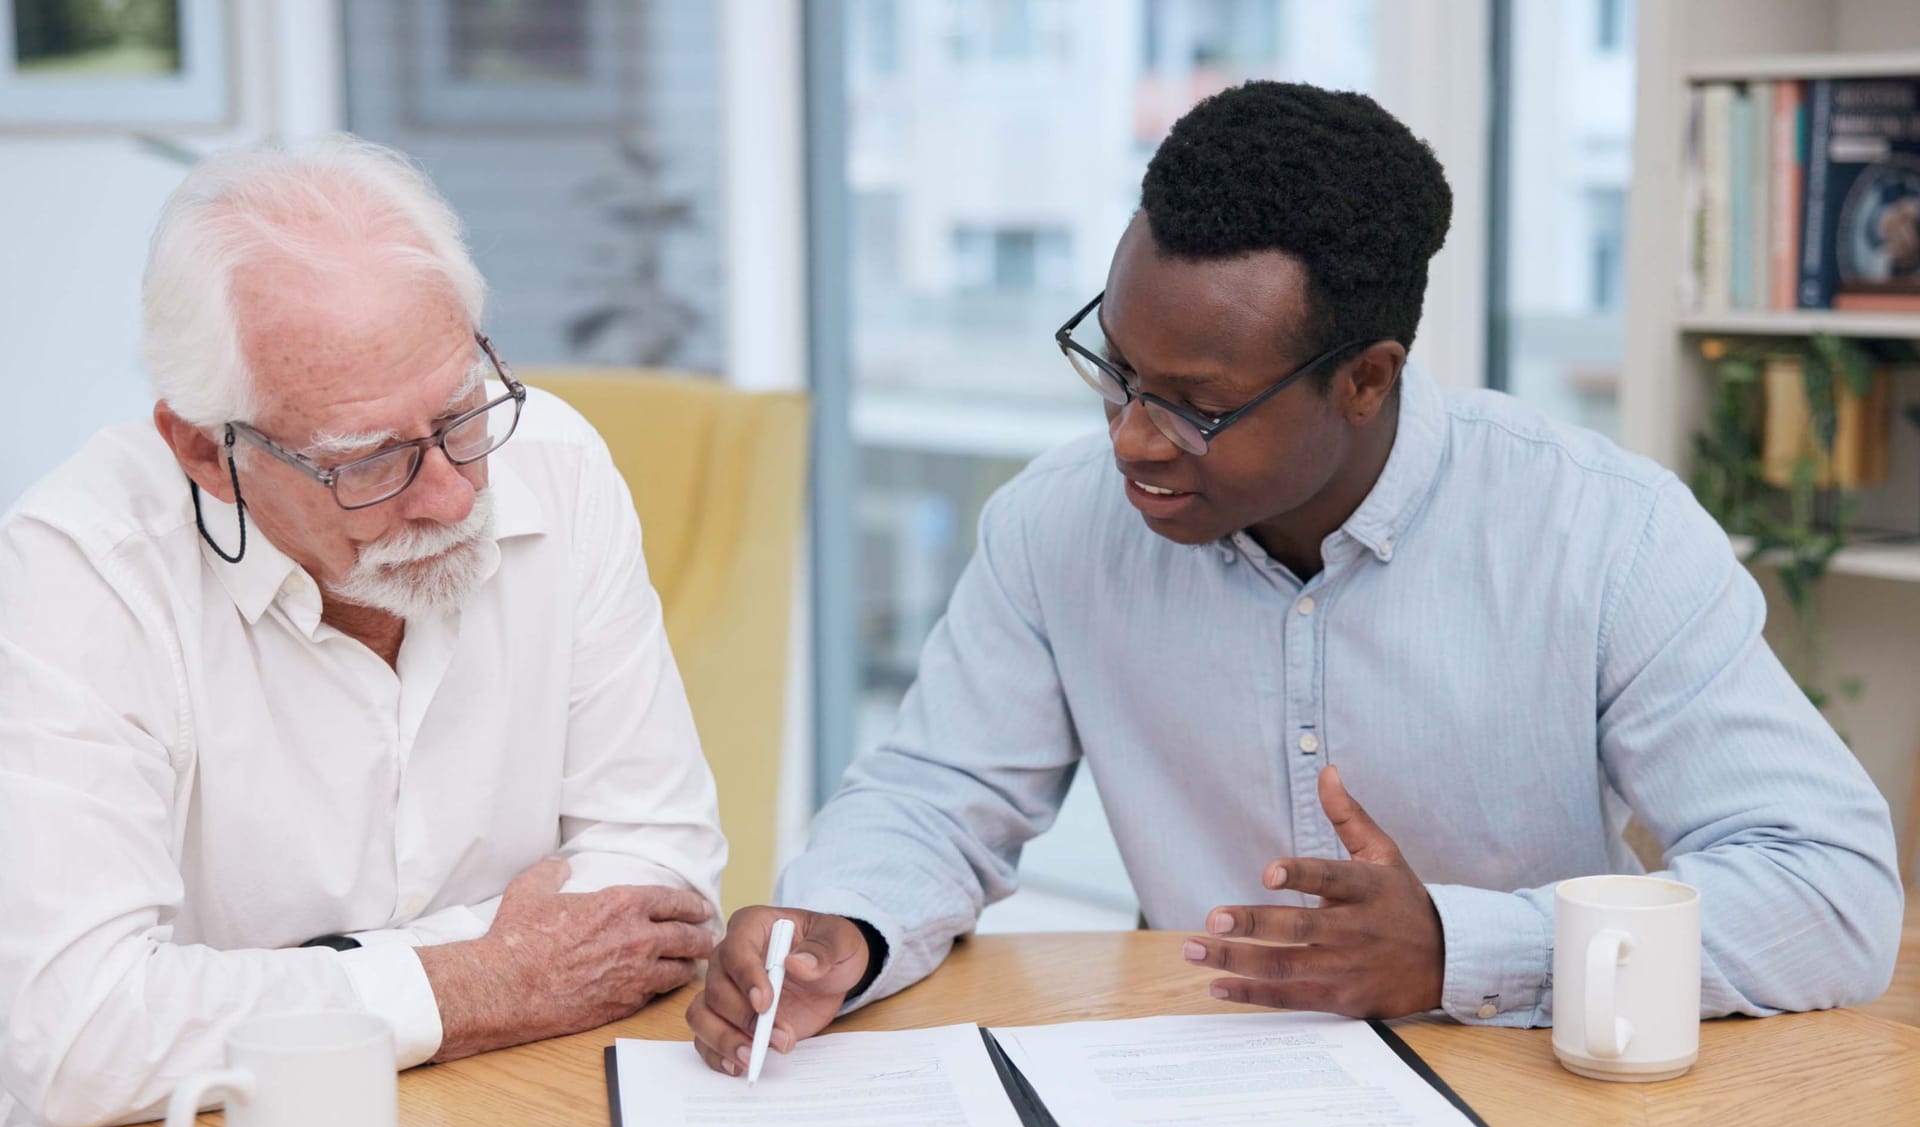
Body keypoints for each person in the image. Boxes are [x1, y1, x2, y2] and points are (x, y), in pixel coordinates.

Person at [688, 81, 1901, 1076]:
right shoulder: (1053, 527)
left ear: (1367, 379)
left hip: (1540, 1113)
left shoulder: (1603, 533)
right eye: (1116, 369)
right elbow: (936, 796)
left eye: (1199, 407)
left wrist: (1462, 947)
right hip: (1190, 1097)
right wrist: (840, 924)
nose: (1131, 436)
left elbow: (1832, 893)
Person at [0, 137, 724, 1127]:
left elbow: (666, 879)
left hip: (523, 1121)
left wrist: (304, 986)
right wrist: (483, 978)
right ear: (209, 451)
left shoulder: (554, 461)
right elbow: (75, 1035)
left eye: (461, 413)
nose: (453, 493)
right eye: (372, 460)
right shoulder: (83, 565)